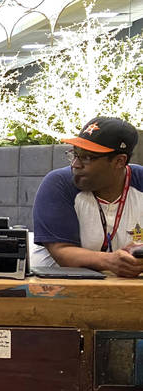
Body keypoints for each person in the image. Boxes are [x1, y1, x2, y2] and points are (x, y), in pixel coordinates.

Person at [33, 116, 143, 277]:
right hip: (58, 290)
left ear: (119, 161)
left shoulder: (140, 182)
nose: (75, 164)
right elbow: (61, 252)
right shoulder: (58, 183)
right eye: (75, 154)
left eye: (87, 157)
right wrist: (109, 260)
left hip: (124, 291)